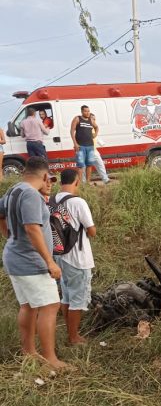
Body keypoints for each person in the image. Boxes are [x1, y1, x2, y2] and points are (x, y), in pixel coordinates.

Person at [0, 156, 68, 369]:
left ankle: (29, 352)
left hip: (15, 257)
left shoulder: (15, 190)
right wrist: (49, 261)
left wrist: (10, 236)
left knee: (28, 306)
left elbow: (0, 213)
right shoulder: (31, 195)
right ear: (46, 175)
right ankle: (50, 359)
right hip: (31, 262)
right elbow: (32, 228)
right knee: (50, 306)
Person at [53, 169, 96, 345]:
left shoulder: (52, 200)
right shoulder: (78, 202)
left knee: (67, 296)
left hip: (60, 255)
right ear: (77, 181)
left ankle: (69, 333)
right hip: (78, 259)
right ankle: (73, 337)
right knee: (78, 299)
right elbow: (91, 231)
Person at [70, 105, 98, 183]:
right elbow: (72, 131)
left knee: (89, 165)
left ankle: (88, 183)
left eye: (88, 111)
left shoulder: (91, 120)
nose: (87, 112)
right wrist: (75, 143)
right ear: (82, 111)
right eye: (85, 111)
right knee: (80, 166)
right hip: (80, 146)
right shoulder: (77, 119)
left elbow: (96, 127)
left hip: (90, 146)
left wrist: (95, 134)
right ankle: (80, 184)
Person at [90, 113, 110, 185]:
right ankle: (84, 183)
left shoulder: (93, 128)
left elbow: (95, 137)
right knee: (85, 168)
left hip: (94, 150)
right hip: (88, 150)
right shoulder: (86, 128)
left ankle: (106, 180)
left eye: (95, 119)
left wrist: (101, 143)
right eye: (93, 119)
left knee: (100, 165)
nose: (94, 121)